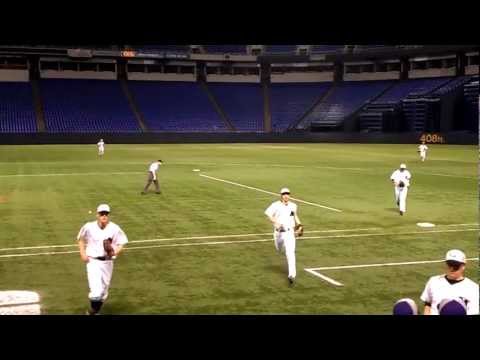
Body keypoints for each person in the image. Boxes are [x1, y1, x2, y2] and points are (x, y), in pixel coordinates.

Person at [77, 204, 128, 315]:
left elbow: (122, 243)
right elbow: (81, 239)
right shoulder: (89, 226)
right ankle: (91, 312)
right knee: (96, 291)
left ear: (108, 215)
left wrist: (115, 252)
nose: (104, 216)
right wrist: (82, 253)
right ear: (97, 215)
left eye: (106, 214)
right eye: (101, 214)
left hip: (108, 262)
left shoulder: (115, 228)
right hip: (93, 262)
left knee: (103, 292)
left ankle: (94, 311)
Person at [420, 249, 479, 315]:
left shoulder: (473, 288)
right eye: (449, 264)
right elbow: (428, 303)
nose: (451, 269)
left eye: (455, 266)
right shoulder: (433, 281)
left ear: (463, 266)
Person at [264, 187, 302, 286]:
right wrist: (275, 222)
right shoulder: (275, 205)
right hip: (279, 233)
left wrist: (300, 225)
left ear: (289, 195)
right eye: (284, 194)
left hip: (289, 233)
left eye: (287, 194)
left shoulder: (293, 206)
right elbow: (268, 214)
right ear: (281, 195)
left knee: (290, 253)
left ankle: (292, 275)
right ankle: (280, 248)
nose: (286, 195)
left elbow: (294, 215)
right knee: (279, 249)